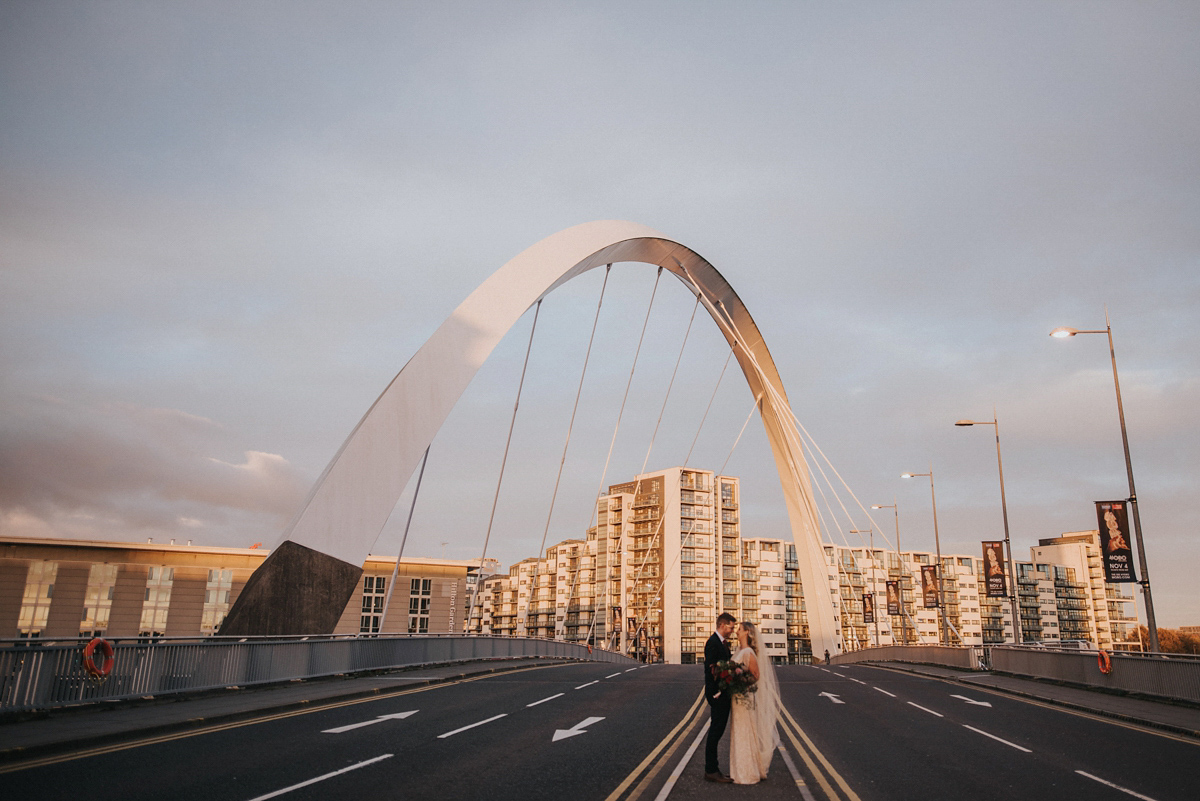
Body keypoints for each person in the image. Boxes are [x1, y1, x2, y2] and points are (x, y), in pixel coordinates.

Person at [728, 621, 781, 785]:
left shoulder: (749, 652)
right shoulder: (739, 651)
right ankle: (739, 770)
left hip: (744, 697)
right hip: (737, 698)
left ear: (747, 633)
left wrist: (739, 681)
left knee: (746, 731)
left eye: (739, 629)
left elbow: (755, 675)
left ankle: (748, 771)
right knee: (738, 731)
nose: (736, 632)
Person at [703, 612, 737, 783]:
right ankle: (711, 770)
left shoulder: (722, 643)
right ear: (723, 625)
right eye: (731, 628)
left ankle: (713, 769)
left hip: (723, 693)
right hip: (718, 694)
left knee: (717, 731)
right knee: (715, 732)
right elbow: (711, 668)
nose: (732, 631)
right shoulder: (713, 643)